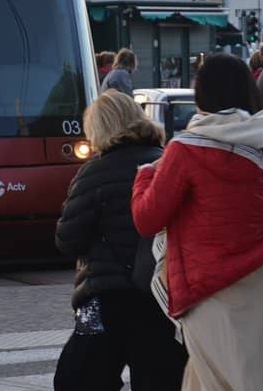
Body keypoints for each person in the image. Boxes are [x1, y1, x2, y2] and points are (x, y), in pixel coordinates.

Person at [131, 54, 263, 391]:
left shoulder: (184, 149)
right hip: (259, 283)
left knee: (218, 380)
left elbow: (147, 218)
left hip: (206, 283)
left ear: (202, 93)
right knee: (247, 378)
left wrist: (144, 177)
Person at [53, 90, 187, 391]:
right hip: (162, 295)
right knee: (161, 379)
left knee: (79, 378)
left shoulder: (94, 173)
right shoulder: (167, 163)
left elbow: (68, 240)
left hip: (106, 297)